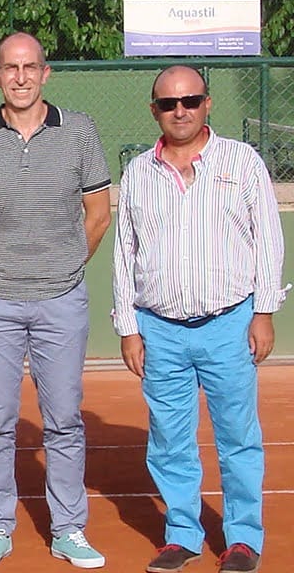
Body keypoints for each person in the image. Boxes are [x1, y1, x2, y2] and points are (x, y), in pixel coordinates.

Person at [0, 32, 111, 570]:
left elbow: (98, 214)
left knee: (63, 419)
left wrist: (64, 267)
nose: (20, 76)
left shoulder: (81, 131)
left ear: (46, 72)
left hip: (61, 300)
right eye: (9, 68)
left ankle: (68, 529)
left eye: (30, 66)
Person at [112, 65, 285, 573]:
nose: (180, 110)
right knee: (169, 440)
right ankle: (183, 534)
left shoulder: (242, 161)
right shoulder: (139, 171)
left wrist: (264, 313)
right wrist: (127, 325)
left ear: (208, 103)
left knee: (238, 436)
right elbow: (125, 253)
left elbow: (268, 241)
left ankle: (243, 539)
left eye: (189, 100)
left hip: (229, 322)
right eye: (168, 103)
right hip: (159, 328)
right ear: (155, 111)